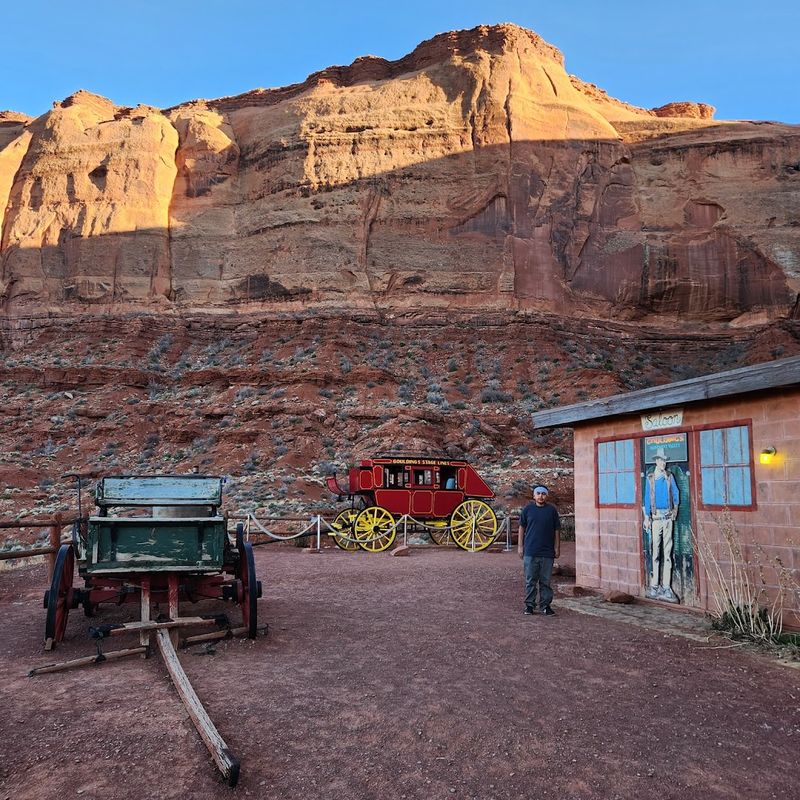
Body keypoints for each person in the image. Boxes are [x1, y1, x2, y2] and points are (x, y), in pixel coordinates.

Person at [643, 448, 680, 603]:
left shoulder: (669, 477)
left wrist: (675, 511)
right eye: (660, 460)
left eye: (665, 460)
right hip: (656, 518)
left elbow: (676, 495)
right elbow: (646, 499)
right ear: (656, 461)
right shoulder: (650, 478)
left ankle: (666, 587)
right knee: (655, 553)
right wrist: (646, 518)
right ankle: (654, 585)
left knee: (667, 552)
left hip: (667, 518)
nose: (663, 463)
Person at [518, 485, 560, 616]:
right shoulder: (528, 510)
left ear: (546, 496)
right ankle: (529, 605)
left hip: (547, 552)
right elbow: (521, 528)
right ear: (534, 496)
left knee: (545, 581)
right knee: (530, 580)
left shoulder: (551, 511)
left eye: (543, 494)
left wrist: (557, 547)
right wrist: (520, 546)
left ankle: (545, 605)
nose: (541, 496)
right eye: (538, 493)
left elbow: (557, 530)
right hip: (530, 551)